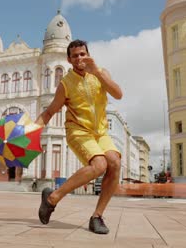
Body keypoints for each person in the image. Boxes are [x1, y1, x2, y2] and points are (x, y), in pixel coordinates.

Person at [35, 39, 123, 234]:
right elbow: (49, 112)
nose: (80, 58)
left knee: (115, 163)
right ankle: (53, 198)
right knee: (99, 165)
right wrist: (32, 130)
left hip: (100, 132)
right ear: (69, 59)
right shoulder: (65, 84)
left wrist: (97, 72)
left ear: (88, 54)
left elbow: (118, 94)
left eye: (83, 54)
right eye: (75, 56)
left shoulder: (101, 73)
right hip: (78, 131)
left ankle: (96, 217)